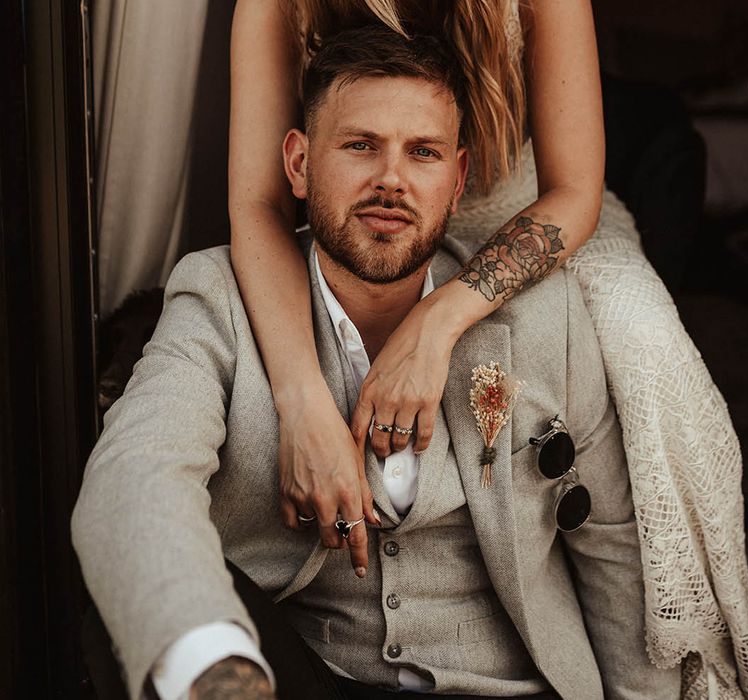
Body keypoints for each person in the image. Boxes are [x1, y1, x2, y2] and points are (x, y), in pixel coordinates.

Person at [73, 27, 683, 700]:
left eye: (421, 153)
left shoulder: (544, 315)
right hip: (311, 677)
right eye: (360, 145)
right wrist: (213, 666)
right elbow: (135, 475)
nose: (391, 179)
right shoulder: (220, 297)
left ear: (458, 182)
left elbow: (612, 546)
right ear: (299, 164)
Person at [228, 3, 748, 696]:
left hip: (531, 214)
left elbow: (573, 193)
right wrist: (299, 400)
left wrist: (437, 321)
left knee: (638, 334)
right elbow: (257, 204)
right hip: (366, 231)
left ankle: (672, 661)